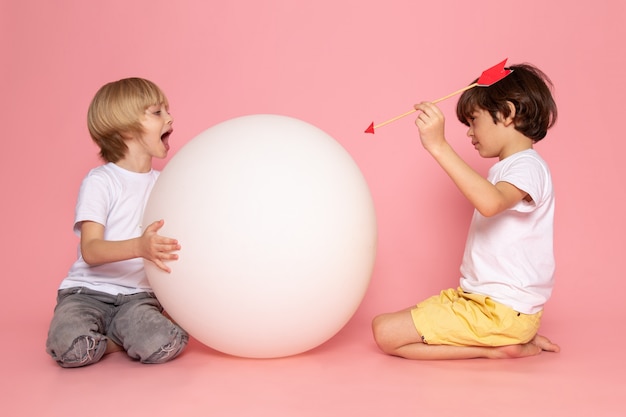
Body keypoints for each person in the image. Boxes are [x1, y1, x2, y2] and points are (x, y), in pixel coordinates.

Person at [372, 63, 561, 359]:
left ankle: (497, 350)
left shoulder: (527, 165)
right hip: (484, 304)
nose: (470, 133)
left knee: (384, 332)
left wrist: (438, 146)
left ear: (508, 113)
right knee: (390, 324)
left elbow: (490, 203)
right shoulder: (511, 167)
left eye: (473, 120)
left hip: (500, 311)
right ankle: (504, 341)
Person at [46, 78, 188, 367]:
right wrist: (140, 246)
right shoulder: (101, 181)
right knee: (70, 347)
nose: (170, 117)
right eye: (157, 112)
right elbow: (92, 250)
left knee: (167, 342)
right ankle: (116, 338)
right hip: (87, 293)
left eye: (167, 111)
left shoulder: (166, 184)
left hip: (139, 298)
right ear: (125, 129)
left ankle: (114, 336)